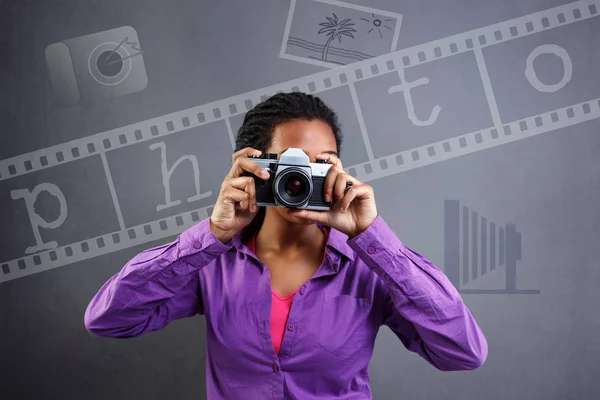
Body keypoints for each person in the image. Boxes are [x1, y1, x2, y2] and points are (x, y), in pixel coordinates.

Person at [84, 92, 487, 399]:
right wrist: (212, 235)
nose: (304, 178)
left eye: (322, 162)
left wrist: (372, 235)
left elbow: (463, 352)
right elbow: (109, 318)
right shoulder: (214, 262)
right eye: (291, 164)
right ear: (253, 167)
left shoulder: (369, 268)